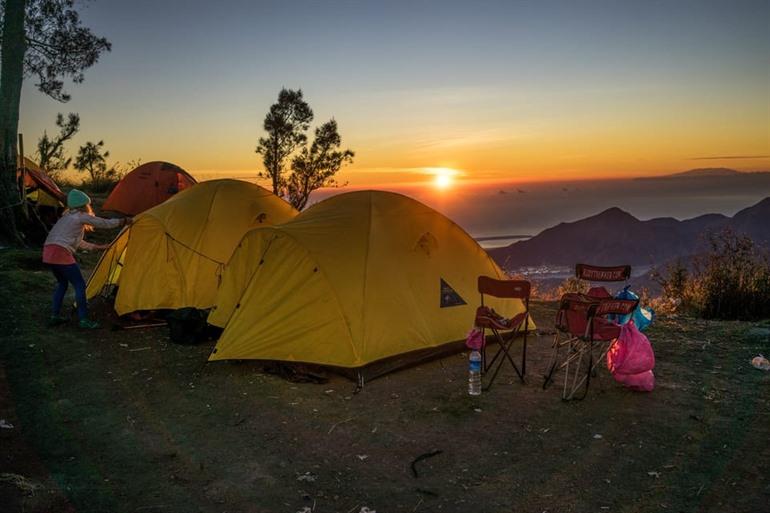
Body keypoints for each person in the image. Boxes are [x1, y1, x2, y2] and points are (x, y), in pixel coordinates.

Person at [43, 189, 130, 328]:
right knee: (80, 285)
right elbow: (104, 223)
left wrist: (98, 247)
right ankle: (83, 320)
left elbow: (77, 242)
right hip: (61, 252)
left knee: (62, 284)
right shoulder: (81, 216)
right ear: (84, 205)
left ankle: (55, 316)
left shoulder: (66, 217)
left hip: (48, 252)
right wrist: (123, 221)